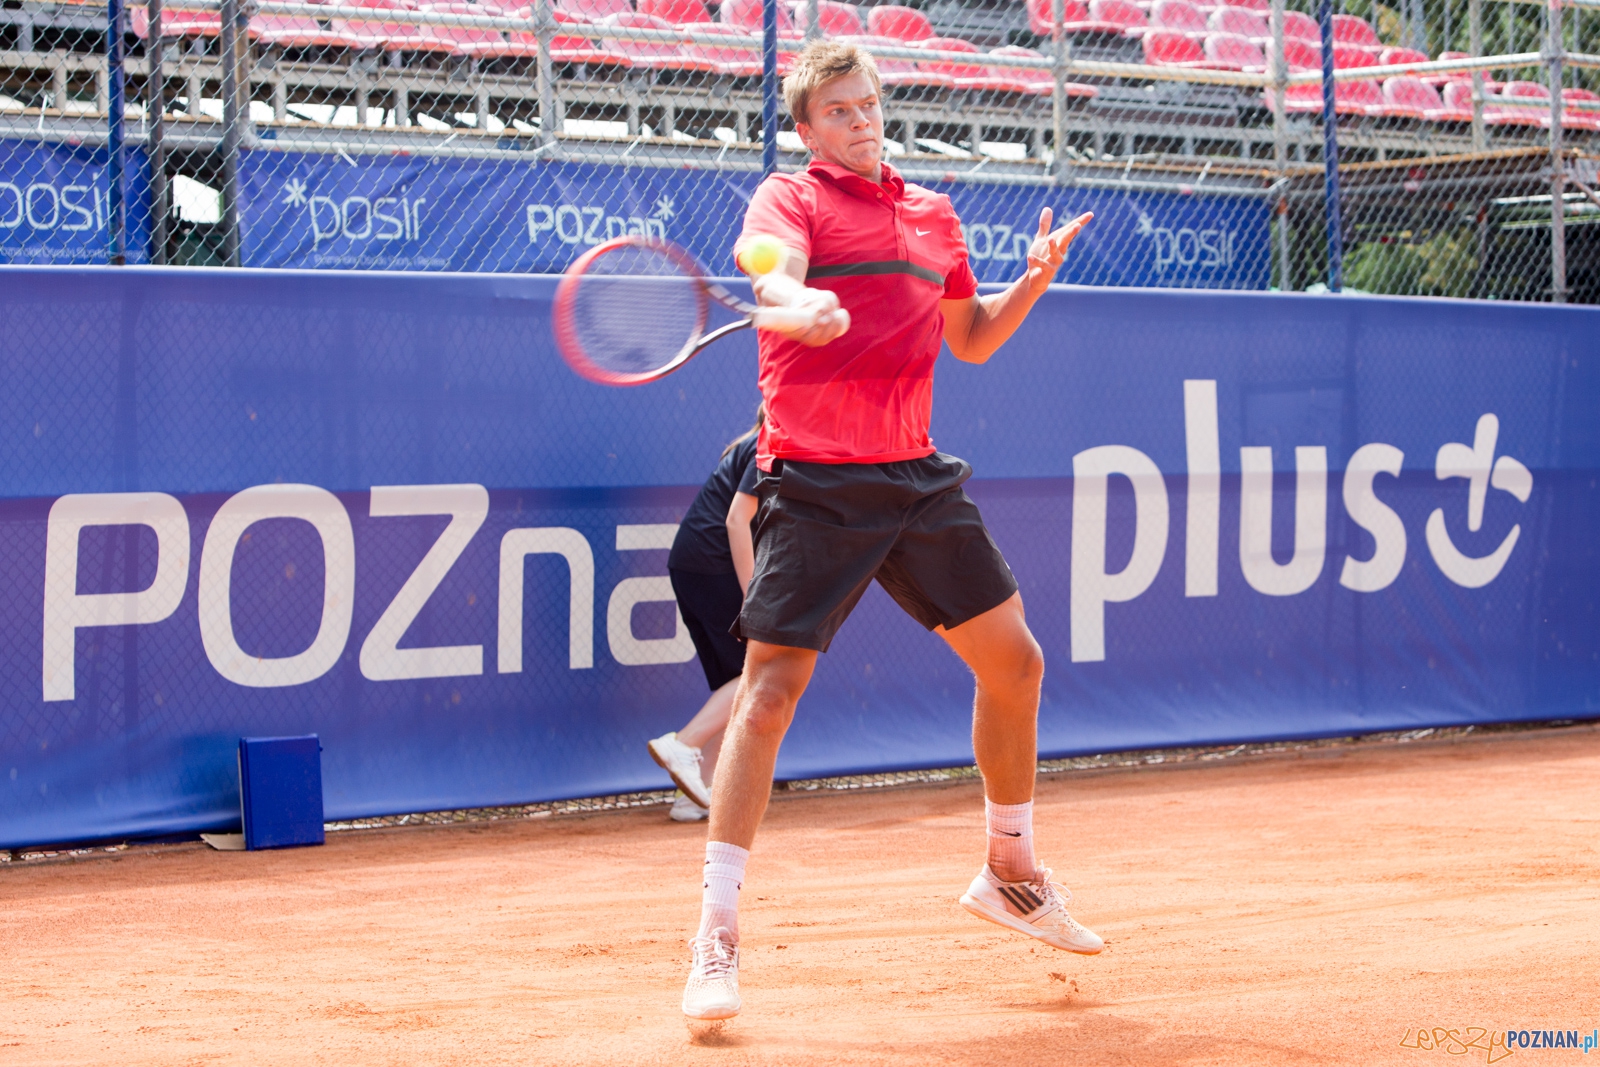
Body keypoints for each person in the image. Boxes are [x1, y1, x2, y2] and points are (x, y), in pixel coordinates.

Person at [679, 41, 1100, 1022]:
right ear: (806, 128)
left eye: (868, 103)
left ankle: (1009, 870)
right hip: (815, 480)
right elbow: (772, 278)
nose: (860, 120)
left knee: (1016, 663)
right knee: (768, 696)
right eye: (838, 109)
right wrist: (799, 304)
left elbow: (971, 337)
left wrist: (1032, 281)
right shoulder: (789, 198)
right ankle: (716, 931)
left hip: (912, 475)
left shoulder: (932, 213)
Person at [648, 407, 764, 823]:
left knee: (734, 681)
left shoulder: (751, 443)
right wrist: (752, 595)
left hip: (691, 564)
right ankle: (684, 745)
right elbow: (737, 522)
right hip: (714, 566)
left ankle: (698, 790)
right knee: (757, 673)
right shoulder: (772, 444)